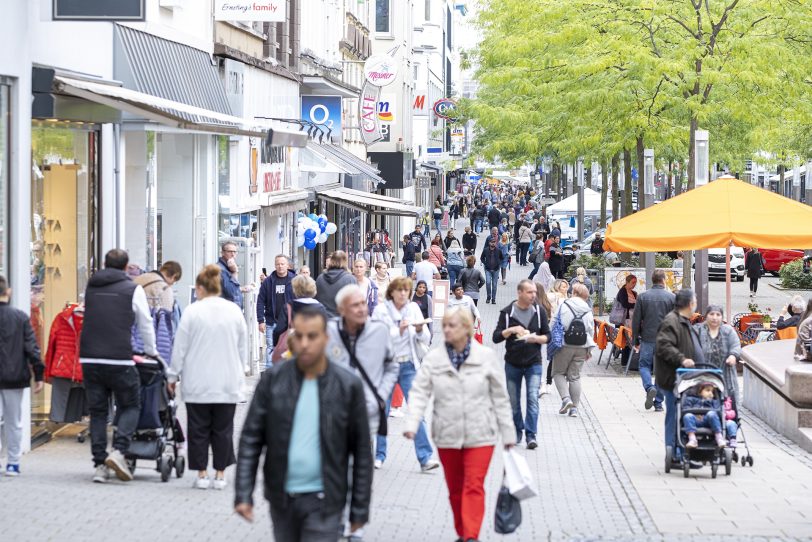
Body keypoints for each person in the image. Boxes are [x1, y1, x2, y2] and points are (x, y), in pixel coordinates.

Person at [234, 305, 372, 541]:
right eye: (299, 335)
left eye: (313, 336)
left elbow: (361, 452)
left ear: (326, 338)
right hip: (282, 498)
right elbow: (251, 438)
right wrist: (243, 494)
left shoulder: (347, 385)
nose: (305, 343)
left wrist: (359, 509)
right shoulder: (273, 381)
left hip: (325, 499)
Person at [405, 308, 516, 542]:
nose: (446, 329)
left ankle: (471, 536)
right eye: (444, 325)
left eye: (451, 325)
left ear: (466, 328)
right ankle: (463, 532)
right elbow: (419, 392)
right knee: (455, 490)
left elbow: (500, 398)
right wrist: (412, 423)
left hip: (481, 435)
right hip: (447, 434)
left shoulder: (485, 357)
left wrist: (508, 434)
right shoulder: (435, 358)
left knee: (473, 486)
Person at [80, 249, 158, 483]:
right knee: (130, 404)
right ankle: (119, 451)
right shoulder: (133, 289)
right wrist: (151, 351)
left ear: (104, 264)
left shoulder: (91, 286)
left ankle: (99, 466)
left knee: (98, 412)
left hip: (90, 358)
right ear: (126, 268)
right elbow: (145, 323)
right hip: (119, 358)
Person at [327, 285, 398, 541]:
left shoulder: (379, 332)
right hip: (333, 415)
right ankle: (338, 516)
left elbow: (392, 365)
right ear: (341, 309)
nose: (361, 309)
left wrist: (380, 394)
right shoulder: (328, 332)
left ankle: (355, 522)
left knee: (358, 469)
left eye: (363, 304)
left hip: (365, 414)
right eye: (355, 305)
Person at [169, 265, 246, 490]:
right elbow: (242, 349)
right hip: (227, 382)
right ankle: (220, 474)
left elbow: (179, 348)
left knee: (198, 429)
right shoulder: (233, 311)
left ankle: (202, 473)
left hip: (197, 382)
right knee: (223, 429)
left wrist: (172, 376)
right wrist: (239, 373)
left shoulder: (193, 312)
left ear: (200, 288)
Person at [371, 278, 439, 472]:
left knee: (417, 410)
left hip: (409, 364)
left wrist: (419, 330)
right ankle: (379, 455)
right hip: (387, 366)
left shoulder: (413, 308)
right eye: (399, 290)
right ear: (392, 292)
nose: (403, 294)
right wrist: (397, 330)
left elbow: (425, 337)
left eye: (406, 290)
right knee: (382, 411)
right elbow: (375, 337)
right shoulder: (381, 311)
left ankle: (425, 458)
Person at [492, 280, 550, 449]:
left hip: (534, 362)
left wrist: (537, 339)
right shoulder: (508, 312)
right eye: (529, 292)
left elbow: (548, 335)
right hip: (513, 363)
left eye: (534, 292)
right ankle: (517, 430)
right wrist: (510, 330)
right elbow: (496, 337)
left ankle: (531, 435)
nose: (533, 295)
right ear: (519, 293)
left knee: (532, 397)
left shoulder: (539, 312)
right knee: (513, 400)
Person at [0, 275, 44, 476]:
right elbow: (32, 348)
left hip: (11, 376)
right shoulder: (20, 317)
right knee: (14, 420)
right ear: (7, 292)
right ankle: (13, 462)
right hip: (14, 376)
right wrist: (39, 374)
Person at [655, 288, 703, 462]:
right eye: (695, 301)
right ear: (690, 304)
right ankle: (674, 453)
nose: (695, 304)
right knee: (674, 416)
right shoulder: (672, 321)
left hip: (682, 378)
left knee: (680, 414)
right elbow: (664, 346)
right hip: (673, 378)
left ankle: (679, 451)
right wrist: (682, 359)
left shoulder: (681, 320)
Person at [631, 270, 675, 412]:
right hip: (666, 339)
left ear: (652, 280)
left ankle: (649, 387)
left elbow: (636, 319)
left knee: (644, 365)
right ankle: (658, 403)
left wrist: (635, 339)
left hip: (648, 337)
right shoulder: (671, 297)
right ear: (663, 280)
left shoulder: (643, 297)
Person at [551, 283, 595, 418]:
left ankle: (566, 399)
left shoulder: (564, 305)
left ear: (574, 292)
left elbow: (554, 323)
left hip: (564, 344)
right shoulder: (588, 310)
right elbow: (591, 329)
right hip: (582, 345)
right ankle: (574, 409)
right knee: (574, 376)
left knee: (558, 373)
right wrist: (589, 350)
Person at [694, 305, 742, 404]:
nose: (715, 317)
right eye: (711, 314)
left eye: (718, 314)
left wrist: (733, 355)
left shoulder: (728, 331)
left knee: (727, 403)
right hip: (703, 373)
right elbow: (690, 345)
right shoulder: (697, 330)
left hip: (724, 372)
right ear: (706, 316)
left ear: (722, 317)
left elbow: (736, 345)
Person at [257, 254, 296, 369]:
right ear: (275, 265)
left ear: (287, 265)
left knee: (289, 348)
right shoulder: (268, 282)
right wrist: (260, 320)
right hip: (271, 322)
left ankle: (286, 373)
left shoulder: (295, 280)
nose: (280, 266)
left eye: (282, 264)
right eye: (277, 264)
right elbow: (260, 301)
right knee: (271, 347)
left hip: (290, 323)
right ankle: (270, 375)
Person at [682, 383, 726, 449]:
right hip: (695, 420)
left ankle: (719, 438)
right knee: (687, 416)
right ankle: (692, 439)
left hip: (708, 421)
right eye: (708, 390)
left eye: (712, 392)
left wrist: (709, 403)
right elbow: (686, 409)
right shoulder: (691, 399)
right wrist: (695, 413)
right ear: (700, 391)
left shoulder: (713, 402)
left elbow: (718, 412)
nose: (711, 393)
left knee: (712, 414)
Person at [315, 251, 357, 318]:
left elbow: (316, 300)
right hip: (342, 321)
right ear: (345, 262)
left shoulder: (320, 278)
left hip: (323, 320)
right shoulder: (350, 279)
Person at [616, 274, 638, 366]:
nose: (634, 285)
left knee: (630, 338)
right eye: (633, 283)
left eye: (635, 283)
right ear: (627, 282)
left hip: (632, 319)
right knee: (627, 339)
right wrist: (636, 305)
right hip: (625, 320)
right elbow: (625, 304)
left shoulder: (633, 293)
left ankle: (630, 359)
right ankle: (625, 361)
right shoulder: (622, 291)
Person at [217, 242, 244, 307]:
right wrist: (235, 272)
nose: (233, 254)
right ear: (222, 253)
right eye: (230, 251)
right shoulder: (221, 269)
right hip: (225, 310)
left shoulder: (228, 268)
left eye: (235, 252)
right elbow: (232, 292)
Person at [480, 238, 504, 304]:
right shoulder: (486, 250)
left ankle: (493, 299)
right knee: (488, 282)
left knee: (494, 284)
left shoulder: (498, 250)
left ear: (496, 243)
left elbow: (502, 258)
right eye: (492, 242)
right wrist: (485, 263)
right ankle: (488, 297)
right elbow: (482, 258)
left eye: (494, 242)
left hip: (496, 270)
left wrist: (499, 264)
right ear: (489, 243)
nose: (493, 243)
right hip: (488, 269)